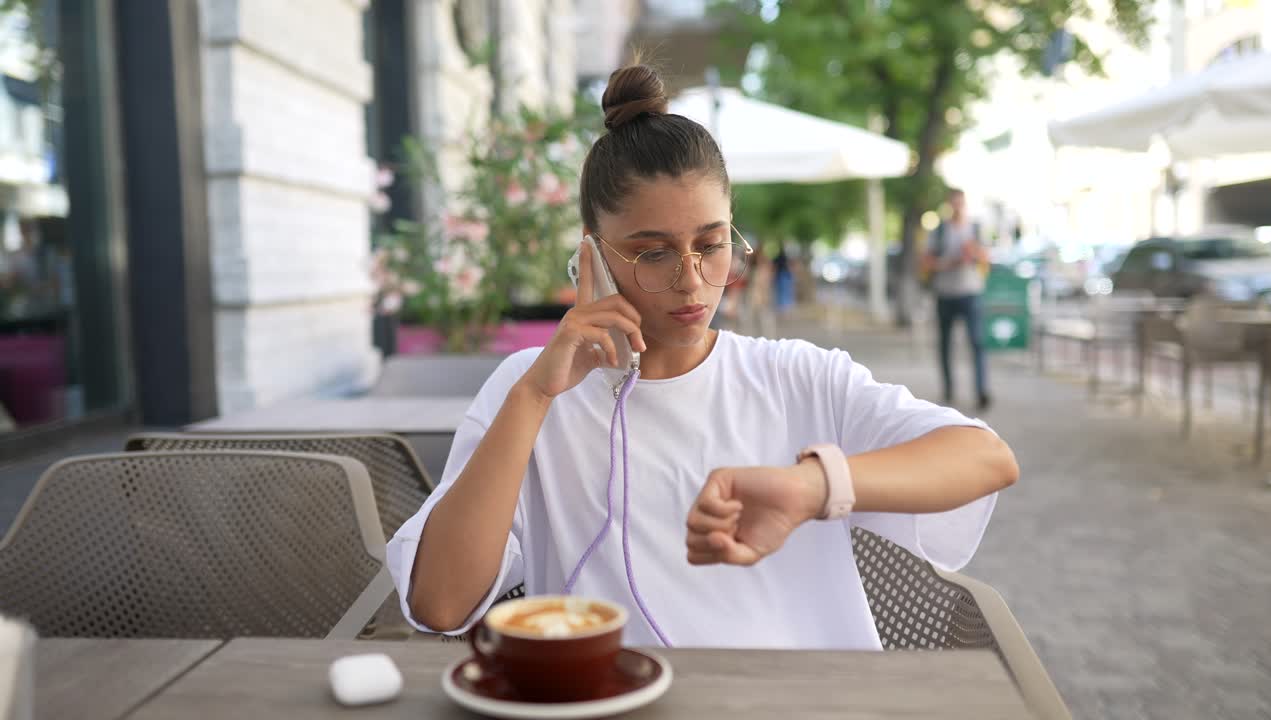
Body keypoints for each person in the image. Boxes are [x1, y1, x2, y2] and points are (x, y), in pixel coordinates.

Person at [388, 64, 1018, 649]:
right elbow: (442, 604)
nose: (692, 282)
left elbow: (985, 458)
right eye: (653, 253)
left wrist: (813, 486)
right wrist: (532, 396)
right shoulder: (530, 391)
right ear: (594, 257)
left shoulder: (793, 376)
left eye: (712, 245)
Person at [920, 189, 992, 410]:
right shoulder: (939, 231)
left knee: (977, 342)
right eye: (954, 203)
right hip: (945, 293)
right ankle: (949, 389)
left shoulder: (976, 229)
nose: (958, 207)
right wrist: (948, 263)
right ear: (949, 205)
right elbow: (926, 262)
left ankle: (981, 391)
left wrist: (974, 253)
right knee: (945, 344)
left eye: (961, 203)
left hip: (970, 293)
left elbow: (986, 258)